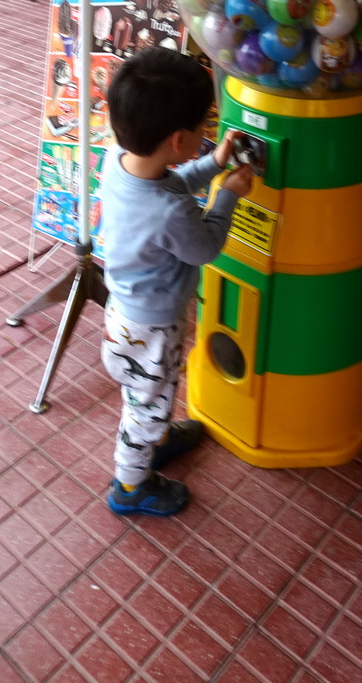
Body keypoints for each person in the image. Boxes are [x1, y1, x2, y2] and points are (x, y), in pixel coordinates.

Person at [98, 47, 253, 516]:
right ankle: (130, 486)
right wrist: (226, 197)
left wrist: (213, 163)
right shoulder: (170, 213)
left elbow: (171, 181)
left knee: (150, 397)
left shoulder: (116, 161)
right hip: (153, 331)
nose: (211, 130)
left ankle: (160, 437)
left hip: (124, 315)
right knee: (144, 410)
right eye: (207, 124)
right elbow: (204, 247)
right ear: (181, 140)